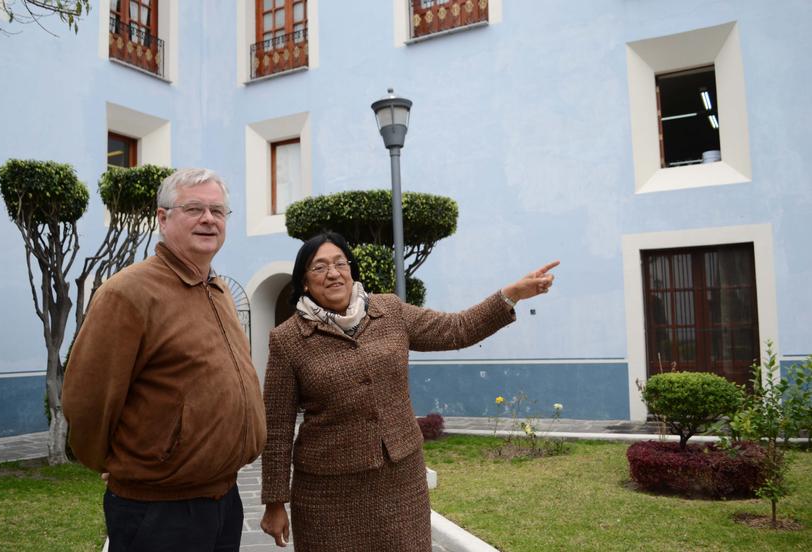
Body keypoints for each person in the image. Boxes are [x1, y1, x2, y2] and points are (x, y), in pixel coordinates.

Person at [260, 231, 558, 551]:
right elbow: (276, 426)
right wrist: (275, 503)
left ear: (351, 269)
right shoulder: (288, 339)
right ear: (304, 282)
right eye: (319, 267)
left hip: (400, 483)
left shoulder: (390, 311)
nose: (333, 273)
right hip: (328, 493)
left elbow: (455, 328)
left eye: (339, 263)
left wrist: (510, 295)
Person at [62, 168, 267, 552]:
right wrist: (118, 465)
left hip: (224, 499)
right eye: (194, 208)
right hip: (160, 511)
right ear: (162, 217)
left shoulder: (218, 290)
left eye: (218, 211)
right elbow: (88, 401)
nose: (209, 219)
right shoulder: (128, 293)